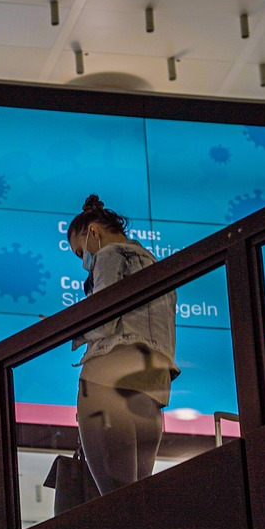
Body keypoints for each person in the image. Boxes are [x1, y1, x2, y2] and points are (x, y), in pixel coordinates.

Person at [67, 194, 178, 495]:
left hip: (106, 387)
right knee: (138, 500)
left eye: (80, 252)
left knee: (115, 502)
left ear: (93, 231)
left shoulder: (109, 255)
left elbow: (104, 323)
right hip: (152, 394)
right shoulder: (156, 264)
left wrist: (70, 329)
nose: (84, 261)